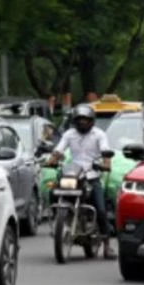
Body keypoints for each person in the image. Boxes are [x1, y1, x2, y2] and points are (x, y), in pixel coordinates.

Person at [47, 103, 116, 258]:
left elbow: (105, 152)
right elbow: (58, 150)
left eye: (85, 119)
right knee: (52, 192)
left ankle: (107, 246)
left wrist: (105, 163)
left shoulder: (99, 134)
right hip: (72, 173)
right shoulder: (69, 134)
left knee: (101, 209)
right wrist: (51, 160)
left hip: (91, 175)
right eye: (79, 119)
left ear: (91, 120)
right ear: (74, 120)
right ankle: (60, 221)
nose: (82, 122)